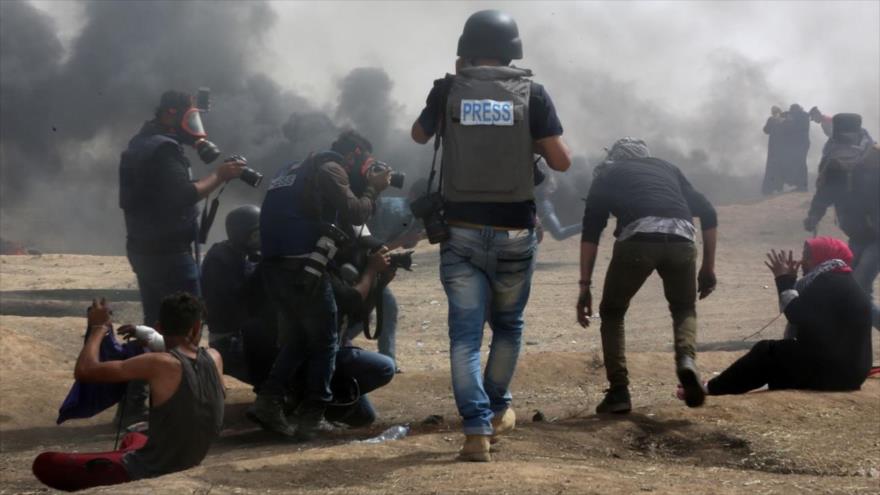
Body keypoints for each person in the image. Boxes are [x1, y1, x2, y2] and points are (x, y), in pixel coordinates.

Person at [411, 9, 571, 462]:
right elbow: (560, 163)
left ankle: (476, 430)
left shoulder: (447, 91)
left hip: (459, 232)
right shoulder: (533, 94)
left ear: (464, 53)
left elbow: (419, 135)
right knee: (508, 326)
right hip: (516, 232)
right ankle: (498, 406)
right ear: (513, 50)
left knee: (464, 337)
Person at [200, 209, 395, 428]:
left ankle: (301, 393)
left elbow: (355, 311)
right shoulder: (227, 259)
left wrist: (379, 281)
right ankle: (296, 397)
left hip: (282, 341)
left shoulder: (270, 258)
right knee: (382, 367)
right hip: (247, 344)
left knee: (363, 415)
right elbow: (240, 306)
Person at [117, 90, 244, 426]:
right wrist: (220, 175)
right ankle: (181, 400)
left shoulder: (140, 144)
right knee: (187, 327)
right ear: (171, 114)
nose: (196, 128)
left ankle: (135, 406)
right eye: (191, 118)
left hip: (144, 248)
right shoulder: (163, 149)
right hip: (169, 253)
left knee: (154, 325)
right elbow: (182, 195)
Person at [254, 130, 391, 439]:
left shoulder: (294, 168)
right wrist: (373, 187)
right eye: (367, 163)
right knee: (326, 340)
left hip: (276, 265)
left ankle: (268, 401)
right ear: (355, 153)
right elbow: (355, 210)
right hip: (304, 266)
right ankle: (313, 415)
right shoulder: (332, 168)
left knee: (302, 338)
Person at [576, 138, 718, 414]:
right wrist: (708, 267)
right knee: (684, 307)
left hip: (638, 239)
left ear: (615, 158)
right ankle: (686, 361)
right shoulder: (667, 167)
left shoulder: (607, 173)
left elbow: (591, 233)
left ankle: (619, 391)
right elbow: (709, 213)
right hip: (682, 237)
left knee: (613, 311)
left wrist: (585, 286)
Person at [32, 294, 224, 492]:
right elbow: (184, 351)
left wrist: (98, 328)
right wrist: (146, 339)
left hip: (151, 468)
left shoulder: (160, 363)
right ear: (196, 328)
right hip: (190, 457)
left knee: (45, 462)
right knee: (133, 438)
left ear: (158, 327)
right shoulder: (215, 357)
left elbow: (85, 371)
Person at [695, 238, 872, 396]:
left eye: (808, 256)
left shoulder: (828, 282)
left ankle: (712, 388)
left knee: (767, 352)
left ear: (823, 257)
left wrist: (783, 280)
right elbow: (809, 315)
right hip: (850, 374)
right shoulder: (839, 279)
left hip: (834, 374)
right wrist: (790, 280)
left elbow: (796, 314)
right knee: (780, 357)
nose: (802, 261)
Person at [805, 113, 879, 330]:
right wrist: (814, 215)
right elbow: (825, 192)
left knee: (858, 288)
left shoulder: (876, 158)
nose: (843, 140)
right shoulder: (834, 160)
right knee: (853, 287)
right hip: (857, 234)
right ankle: (853, 331)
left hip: (878, 236)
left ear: (857, 134)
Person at [344, 178, 428, 371]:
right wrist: (404, 240)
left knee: (383, 309)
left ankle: (385, 358)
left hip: (364, 263)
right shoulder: (395, 211)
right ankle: (334, 345)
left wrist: (410, 240)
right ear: (415, 196)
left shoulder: (413, 214)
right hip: (355, 261)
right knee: (367, 312)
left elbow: (403, 242)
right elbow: (374, 247)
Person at [201, 205, 268, 384]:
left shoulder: (240, 254)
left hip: (240, 334)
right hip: (230, 340)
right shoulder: (220, 261)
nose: (260, 238)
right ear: (242, 234)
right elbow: (236, 301)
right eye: (256, 234)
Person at [536, 163, 582, 241]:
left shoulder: (541, 170)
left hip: (542, 205)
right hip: (540, 205)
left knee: (559, 234)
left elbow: (552, 186)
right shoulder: (540, 169)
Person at [780, 103, 811, 192]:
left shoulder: (802, 117)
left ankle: (803, 186)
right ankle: (800, 185)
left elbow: (797, 128)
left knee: (801, 164)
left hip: (801, 143)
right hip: (800, 143)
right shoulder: (801, 115)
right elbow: (786, 114)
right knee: (799, 164)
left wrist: (788, 122)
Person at [762, 105, 787, 195]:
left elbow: (766, 130)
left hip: (773, 147)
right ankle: (779, 187)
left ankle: (769, 189)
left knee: (771, 167)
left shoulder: (771, 119)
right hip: (782, 147)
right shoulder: (785, 120)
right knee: (780, 167)